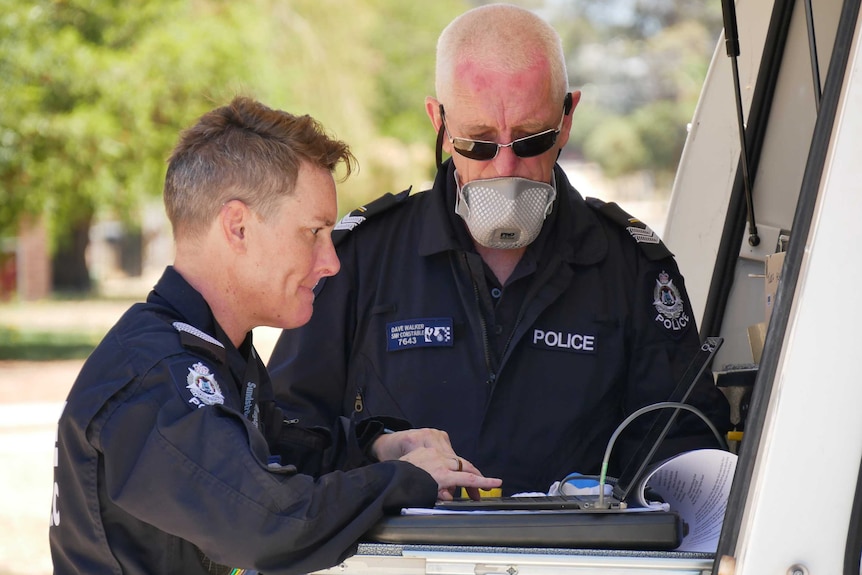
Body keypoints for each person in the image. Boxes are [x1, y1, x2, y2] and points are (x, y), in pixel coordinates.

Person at [268, 4, 731, 496]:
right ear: (440, 124)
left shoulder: (631, 267)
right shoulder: (358, 256)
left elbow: (685, 449)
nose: (505, 167)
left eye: (532, 140)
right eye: (480, 142)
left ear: (567, 118)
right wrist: (379, 458)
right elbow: (287, 431)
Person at [49, 96, 501, 575]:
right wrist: (407, 480)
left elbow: (282, 453)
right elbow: (264, 523)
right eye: (314, 232)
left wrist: (375, 449)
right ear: (238, 227)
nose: (331, 262)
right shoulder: (156, 377)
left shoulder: (211, 354)